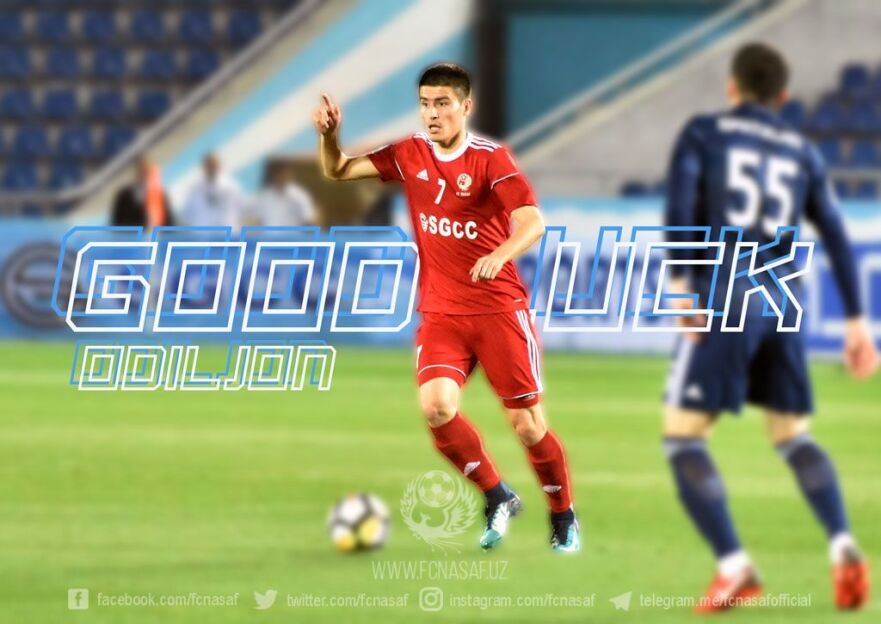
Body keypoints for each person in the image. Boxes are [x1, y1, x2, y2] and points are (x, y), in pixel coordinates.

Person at [314, 63, 580, 552]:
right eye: (425, 104)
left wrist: (499, 254)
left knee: (527, 426)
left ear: (465, 106)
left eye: (442, 104)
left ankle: (563, 514)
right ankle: (498, 495)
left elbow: (533, 222)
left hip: (499, 311)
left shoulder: (490, 160)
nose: (432, 114)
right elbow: (338, 170)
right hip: (441, 313)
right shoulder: (409, 153)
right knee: (436, 408)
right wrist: (331, 138)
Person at [662, 42, 878, 612]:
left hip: (727, 289)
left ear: (732, 86)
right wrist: (858, 322)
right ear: (783, 97)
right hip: (783, 296)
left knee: (683, 436)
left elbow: (680, 206)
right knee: (793, 435)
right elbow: (835, 233)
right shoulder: (803, 151)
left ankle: (734, 567)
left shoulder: (704, 133)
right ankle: (843, 546)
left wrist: (681, 282)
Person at [182, 153, 246, 229]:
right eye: (209, 165)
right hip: (204, 231)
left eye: (214, 165)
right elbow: (188, 212)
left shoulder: (231, 187)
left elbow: (241, 208)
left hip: (226, 230)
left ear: (219, 166)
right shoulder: (195, 189)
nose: (211, 168)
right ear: (204, 167)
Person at [110, 156, 172, 228]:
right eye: (141, 172)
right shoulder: (124, 196)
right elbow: (117, 224)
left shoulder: (160, 196)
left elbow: (169, 222)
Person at [248, 164, 316, 226]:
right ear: (274, 176)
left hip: (292, 234)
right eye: (280, 174)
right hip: (268, 235)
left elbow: (309, 218)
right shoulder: (264, 196)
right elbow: (254, 219)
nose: (282, 177)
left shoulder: (299, 195)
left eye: (285, 174)